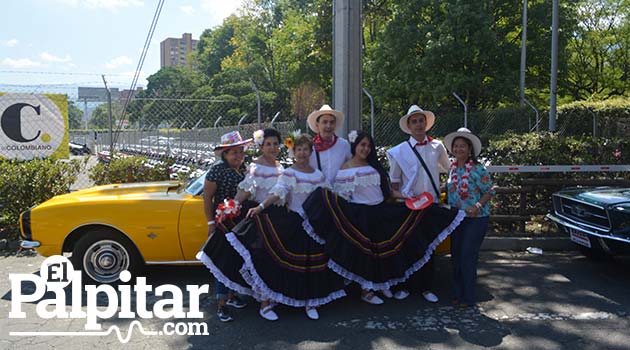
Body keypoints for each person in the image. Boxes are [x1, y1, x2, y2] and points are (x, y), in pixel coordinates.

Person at [303, 130, 464, 306]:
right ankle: (366, 290)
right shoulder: (346, 168)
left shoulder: (374, 165)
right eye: (362, 145)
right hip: (360, 215)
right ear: (354, 146)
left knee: (382, 252)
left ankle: (381, 284)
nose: (365, 148)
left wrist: (409, 198)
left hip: (380, 212)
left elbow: (387, 191)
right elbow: (343, 197)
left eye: (368, 145)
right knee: (367, 254)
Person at [226, 133, 346, 321]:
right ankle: (266, 303)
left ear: (310, 152)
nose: (302, 153)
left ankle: (311, 301)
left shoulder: (317, 174)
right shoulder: (288, 173)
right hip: (294, 223)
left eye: (305, 149)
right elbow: (278, 191)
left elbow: (330, 194)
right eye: (298, 149)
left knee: (313, 264)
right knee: (281, 263)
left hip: (315, 225)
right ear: (293, 152)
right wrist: (260, 207)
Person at [386, 105, 451, 303]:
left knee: (428, 247)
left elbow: (448, 169)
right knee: (406, 246)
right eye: (414, 121)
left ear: (426, 123)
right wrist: (401, 199)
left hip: (430, 204)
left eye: (421, 120)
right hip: (408, 206)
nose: (418, 124)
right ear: (409, 125)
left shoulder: (437, 146)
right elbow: (394, 182)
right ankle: (405, 285)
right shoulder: (399, 151)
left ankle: (426, 287)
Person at [196, 131, 253, 323]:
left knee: (237, 261)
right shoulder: (216, 171)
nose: (237, 155)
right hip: (223, 223)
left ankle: (232, 295)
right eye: (232, 152)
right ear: (224, 154)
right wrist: (211, 222)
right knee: (221, 262)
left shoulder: (244, 169)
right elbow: (207, 198)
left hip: (241, 223)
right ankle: (220, 305)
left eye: (239, 151)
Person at [444, 127, 495, 307]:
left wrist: (478, 205)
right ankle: (457, 294)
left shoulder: (478, 169)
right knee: (456, 256)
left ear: (470, 149)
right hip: (457, 218)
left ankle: (469, 297)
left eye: (463, 146)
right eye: (456, 146)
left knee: (467, 255)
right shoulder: (452, 168)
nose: (459, 149)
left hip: (476, 218)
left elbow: (490, 191)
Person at [307, 104, 352, 183]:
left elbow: (352, 165)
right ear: (317, 124)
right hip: (317, 192)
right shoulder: (309, 147)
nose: (328, 126)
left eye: (332, 122)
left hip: (339, 193)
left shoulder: (344, 145)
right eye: (325, 122)